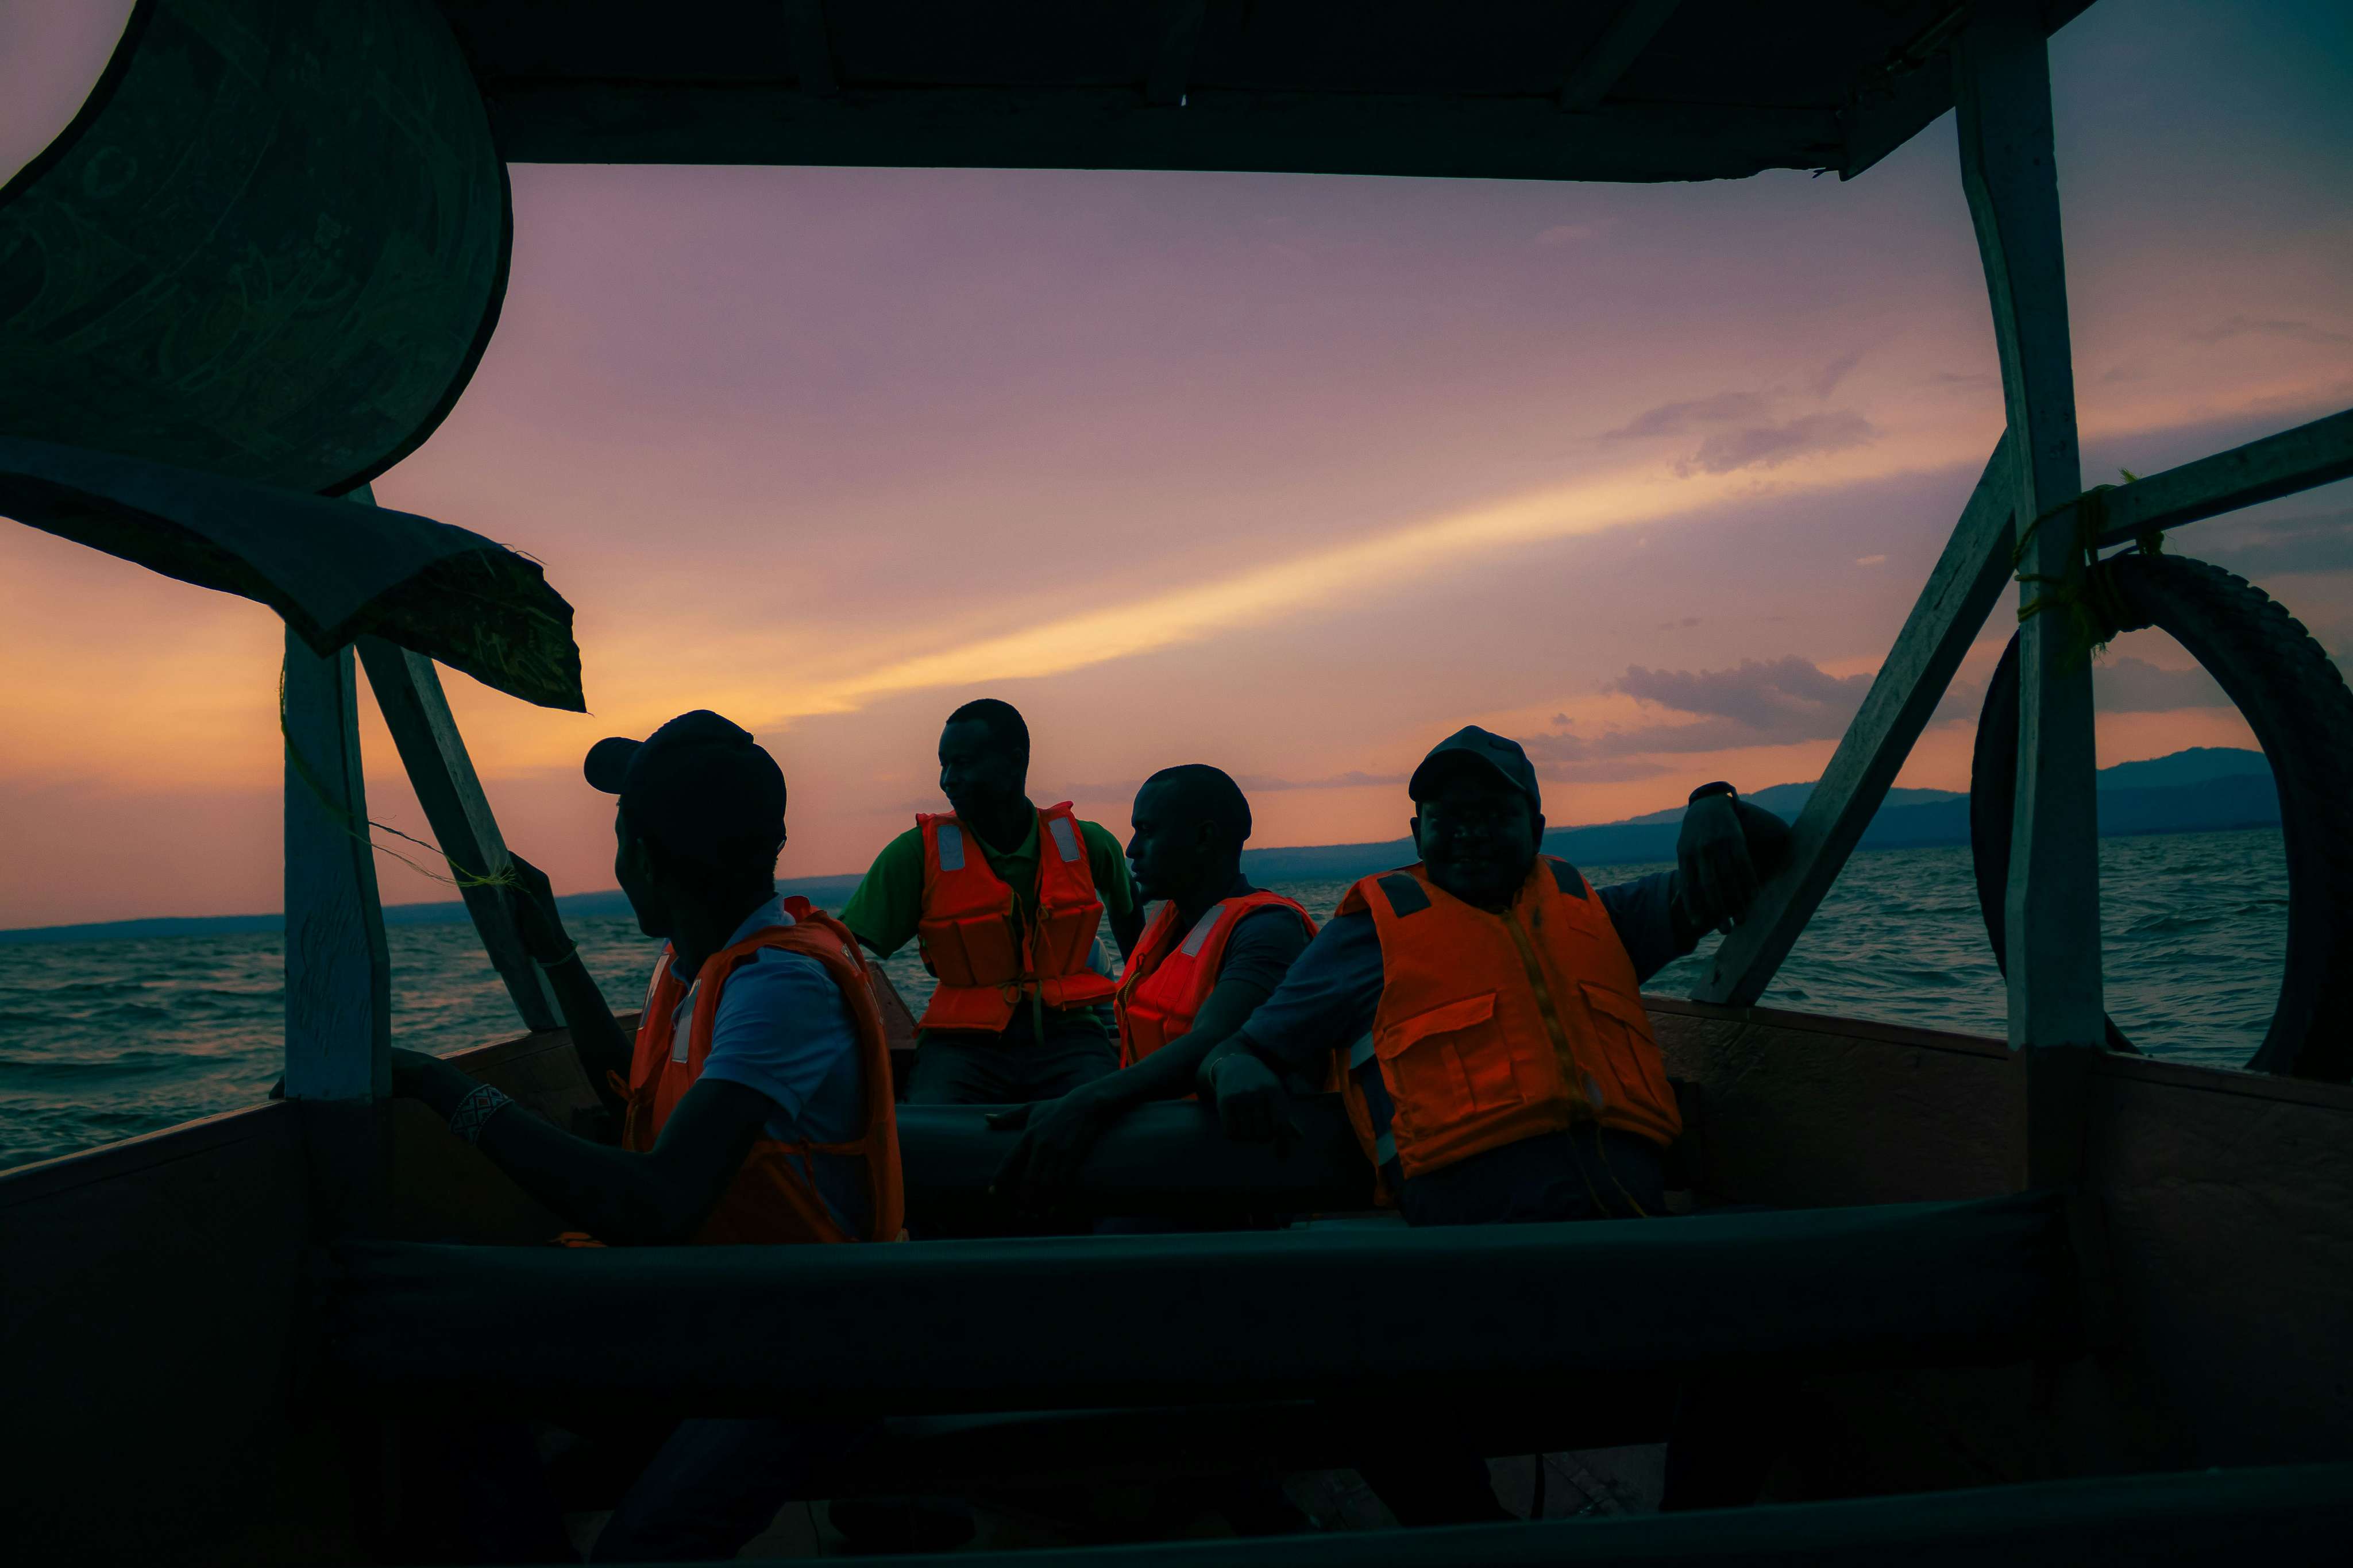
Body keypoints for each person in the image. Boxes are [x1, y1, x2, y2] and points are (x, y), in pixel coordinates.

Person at [1197, 724, 1789, 1523]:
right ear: (1416, 833)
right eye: (1446, 813)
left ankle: (1693, 1533)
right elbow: (1252, 1043)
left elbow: (1762, 851)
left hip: (1632, 1250)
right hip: (1473, 1267)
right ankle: (1473, 1536)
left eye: (1493, 810)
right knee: (1334, 1342)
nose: (1469, 827)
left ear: (1537, 828)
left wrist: (1711, 803)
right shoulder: (1373, 930)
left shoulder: (1603, 915)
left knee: (1785, 1298)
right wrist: (1235, 1068)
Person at [388, 709, 903, 1561]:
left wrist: (448, 1089)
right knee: (450, 1370)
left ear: (654, 862)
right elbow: (631, 1089)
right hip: (719, 1308)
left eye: (624, 836)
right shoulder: (702, 965)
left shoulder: (780, 987)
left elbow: (659, 1201)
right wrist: (556, 952)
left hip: (805, 1344)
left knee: (642, 1545)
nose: (618, 858)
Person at [988, 764, 1316, 1210]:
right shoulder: (1171, 923)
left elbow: (1214, 1041)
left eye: (1147, 831)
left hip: (1219, 1171)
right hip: (1156, 1141)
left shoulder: (1266, 930)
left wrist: (1083, 1103)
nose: (1131, 849)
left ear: (1204, 838)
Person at [841, 698, 1143, 1105]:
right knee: (932, 1137)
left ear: (1015, 763)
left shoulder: (1089, 844)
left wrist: (1138, 1010)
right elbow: (844, 946)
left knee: (1107, 1121)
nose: (948, 780)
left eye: (963, 763)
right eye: (944, 765)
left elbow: (1134, 930)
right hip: (960, 1046)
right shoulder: (915, 854)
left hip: (1071, 1037)